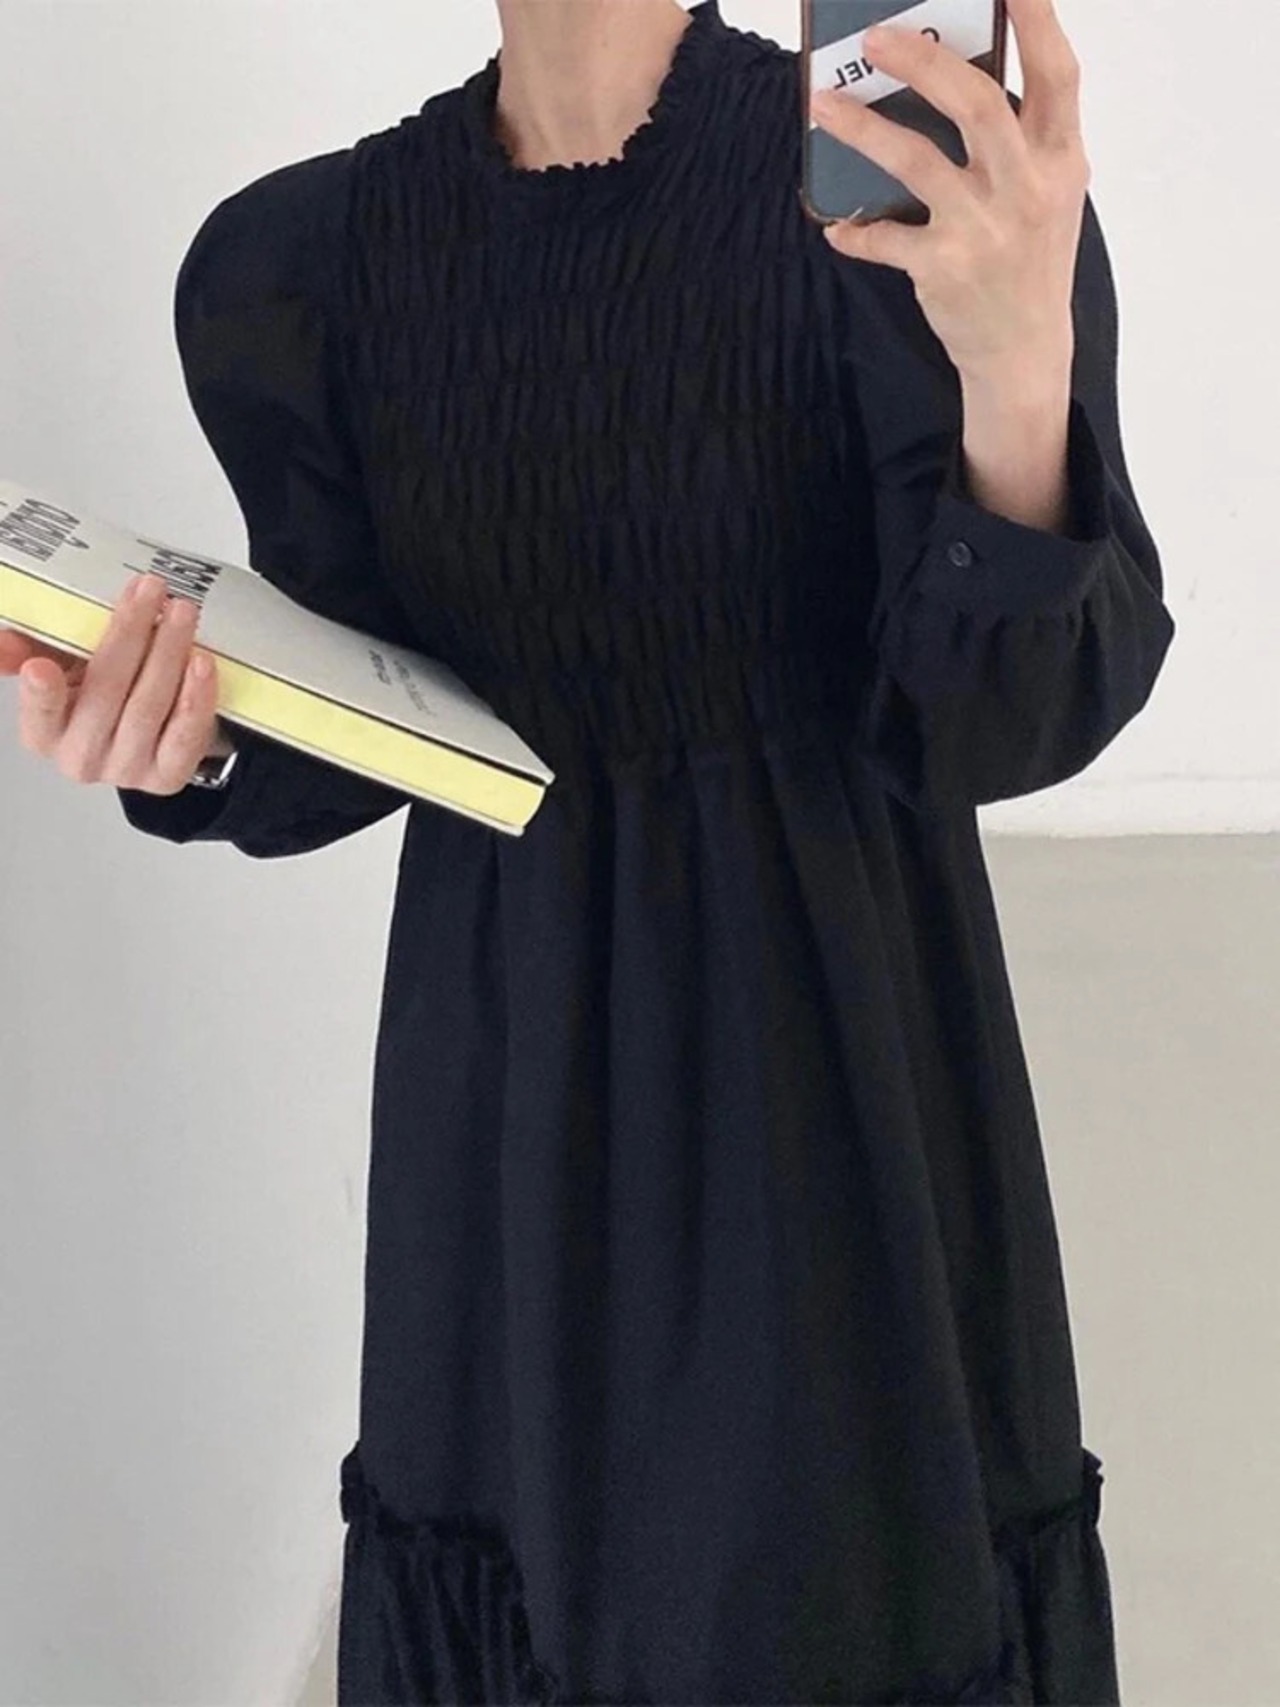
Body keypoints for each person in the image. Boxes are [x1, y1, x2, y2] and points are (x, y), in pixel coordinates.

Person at [2, 0, 1176, 1699]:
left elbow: (1004, 723)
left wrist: (1015, 372)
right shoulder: (306, 264)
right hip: (507, 1106)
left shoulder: (911, 190)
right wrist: (185, 737)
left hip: (837, 1086)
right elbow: (375, 707)